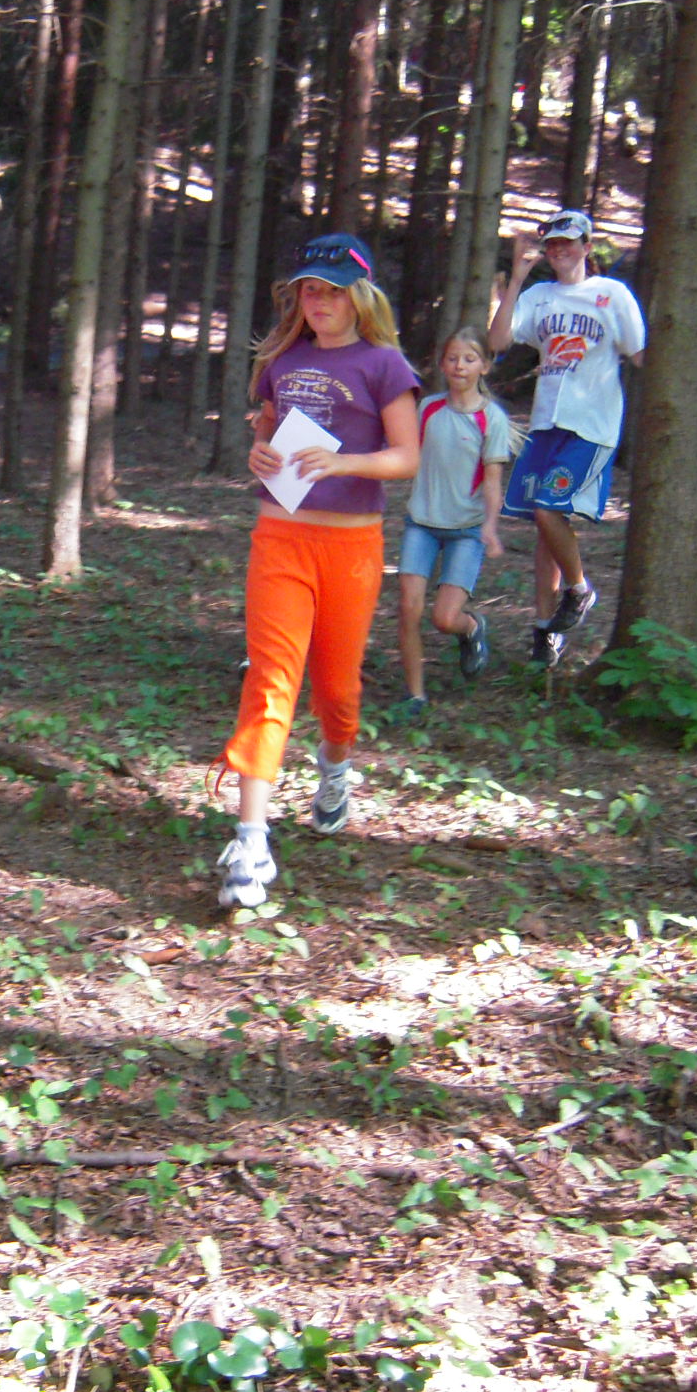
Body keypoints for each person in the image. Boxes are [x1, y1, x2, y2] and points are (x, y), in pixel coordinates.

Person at [213, 232, 420, 910]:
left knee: (337, 687)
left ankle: (335, 764)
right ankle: (250, 842)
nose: (320, 302)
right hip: (280, 537)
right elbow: (268, 427)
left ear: (360, 296)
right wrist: (260, 450)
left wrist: (344, 463)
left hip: (351, 547)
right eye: (310, 290)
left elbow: (407, 456)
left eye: (333, 291)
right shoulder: (284, 358)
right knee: (270, 680)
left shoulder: (384, 364)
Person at [485, 208, 644, 668]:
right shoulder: (539, 296)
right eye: (552, 244)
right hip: (545, 424)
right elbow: (498, 341)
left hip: (590, 425)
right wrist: (517, 278)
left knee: (548, 509)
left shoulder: (612, 294)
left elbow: (640, 354)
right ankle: (545, 630)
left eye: (568, 243)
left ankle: (578, 589)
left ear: (587, 247)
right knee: (545, 525)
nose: (559, 251)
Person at [392, 326, 513, 719]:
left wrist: (490, 527)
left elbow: (492, 480)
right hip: (421, 523)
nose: (460, 366)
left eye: (469, 359)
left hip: (467, 531)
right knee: (408, 608)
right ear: (442, 365)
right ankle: (415, 695)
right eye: (453, 358)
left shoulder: (491, 419)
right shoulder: (427, 409)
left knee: (444, 618)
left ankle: (471, 627)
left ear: (485, 366)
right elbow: (401, 451)